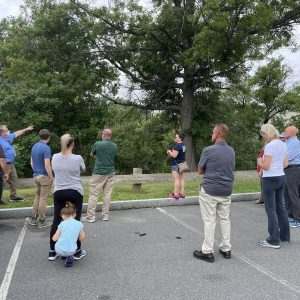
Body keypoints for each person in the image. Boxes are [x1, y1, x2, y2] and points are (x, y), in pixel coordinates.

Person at [193, 124, 235, 263]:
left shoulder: (208, 150)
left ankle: (207, 251)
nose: (211, 134)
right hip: (226, 190)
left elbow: (200, 170)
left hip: (210, 190)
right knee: (224, 219)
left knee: (210, 220)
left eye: (212, 132)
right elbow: (230, 168)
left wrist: (210, 171)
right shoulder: (231, 151)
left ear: (217, 134)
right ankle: (226, 248)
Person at [48, 134, 86, 261]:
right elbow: (83, 169)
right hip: (74, 191)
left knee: (57, 220)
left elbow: (55, 169)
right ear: (72, 144)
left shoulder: (54, 157)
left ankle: (52, 251)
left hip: (59, 191)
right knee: (76, 221)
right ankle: (77, 251)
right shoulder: (78, 158)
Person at [257, 123, 290, 248]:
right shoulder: (283, 144)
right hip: (281, 176)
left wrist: (259, 162)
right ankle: (285, 236)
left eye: (263, 135)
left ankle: (273, 240)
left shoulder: (269, 146)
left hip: (270, 178)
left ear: (267, 133)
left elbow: (266, 166)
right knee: (280, 206)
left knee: (270, 208)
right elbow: (286, 164)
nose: (263, 137)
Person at [83, 128, 117, 223]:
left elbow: (91, 154)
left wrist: (98, 157)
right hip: (110, 173)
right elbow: (112, 157)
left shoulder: (98, 144)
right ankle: (105, 215)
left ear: (104, 135)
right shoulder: (114, 146)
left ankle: (91, 216)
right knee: (107, 194)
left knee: (94, 194)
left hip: (99, 173)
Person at [0, 124, 34, 201]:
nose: (8, 132)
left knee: (14, 180)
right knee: (2, 182)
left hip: (11, 164)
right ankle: (0, 198)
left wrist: (27, 129)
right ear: (2, 133)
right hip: (4, 164)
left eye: (7, 130)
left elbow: (17, 133)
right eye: (6, 131)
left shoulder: (8, 137)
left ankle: (13, 196)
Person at [27, 129, 53, 228]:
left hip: (36, 175)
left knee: (37, 197)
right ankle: (41, 220)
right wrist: (51, 176)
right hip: (44, 176)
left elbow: (31, 162)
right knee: (43, 198)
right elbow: (47, 165)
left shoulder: (34, 146)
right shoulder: (46, 148)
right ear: (49, 137)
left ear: (40, 136)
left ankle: (33, 218)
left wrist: (36, 171)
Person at [52, 201, 85, 267]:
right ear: (75, 214)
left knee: (58, 243)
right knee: (72, 246)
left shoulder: (61, 224)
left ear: (62, 215)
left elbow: (54, 239)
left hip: (59, 250)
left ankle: (63, 255)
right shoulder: (79, 224)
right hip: (72, 251)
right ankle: (70, 257)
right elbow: (81, 238)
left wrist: (53, 236)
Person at [284, 126, 300, 228]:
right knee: (286, 193)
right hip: (287, 169)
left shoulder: (295, 143)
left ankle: (297, 218)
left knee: (293, 194)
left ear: (292, 132)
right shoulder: (287, 142)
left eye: (286, 131)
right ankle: (289, 215)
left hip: (293, 169)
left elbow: (288, 157)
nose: (284, 132)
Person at [167, 132, 186, 199]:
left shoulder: (177, 146)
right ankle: (182, 193)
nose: (175, 138)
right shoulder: (183, 145)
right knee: (181, 179)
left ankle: (175, 194)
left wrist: (169, 152)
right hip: (182, 163)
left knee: (176, 179)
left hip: (176, 164)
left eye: (176, 137)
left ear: (180, 138)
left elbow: (174, 155)